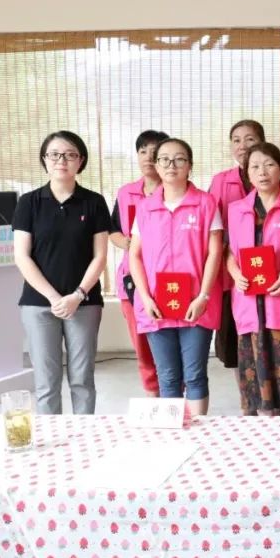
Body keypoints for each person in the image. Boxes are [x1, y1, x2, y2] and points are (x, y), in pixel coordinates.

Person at [13, 131, 110, 414]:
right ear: (44, 160)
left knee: (82, 380)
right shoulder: (29, 202)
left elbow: (100, 256)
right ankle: (50, 437)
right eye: (54, 154)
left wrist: (77, 295)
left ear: (81, 160)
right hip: (38, 304)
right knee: (46, 383)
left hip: (84, 303)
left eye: (70, 155)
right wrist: (55, 298)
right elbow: (22, 256)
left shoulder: (93, 202)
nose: (61, 160)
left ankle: (84, 435)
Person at [129, 138, 224, 416]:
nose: (172, 165)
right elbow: (135, 255)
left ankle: (198, 432)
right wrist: (145, 298)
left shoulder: (206, 203)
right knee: (167, 376)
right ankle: (174, 432)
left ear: (189, 165)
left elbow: (215, 253)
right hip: (156, 304)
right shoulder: (145, 207)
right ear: (157, 166)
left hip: (197, 303)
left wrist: (203, 296)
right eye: (165, 159)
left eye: (179, 159)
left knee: (194, 374)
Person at [225, 143, 280, 416]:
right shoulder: (237, 209)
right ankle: (263, 431)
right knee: (256, 382)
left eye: (269, 165)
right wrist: (235, 273)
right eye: (254, 166)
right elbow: (229, 252)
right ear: (247, 174)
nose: (262, 172)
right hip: (249, 303)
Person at [108, 129, 168, 397]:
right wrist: (128, 244)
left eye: (155, 152)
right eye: (143, 151)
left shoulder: (175, 191)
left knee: (170, 342)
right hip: (131, 279)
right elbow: (113, 230)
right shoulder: (126, 193)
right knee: (142, 345)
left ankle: (174, 395)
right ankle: (152, 395)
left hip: (168, 279)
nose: (148, 157)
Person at [208, 119, 265, 388]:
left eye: (250, 139)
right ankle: (247, 398)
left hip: (271, 274)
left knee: (269, 341)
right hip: (231, 277)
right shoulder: (220, 181)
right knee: (235, 345)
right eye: (236, 140)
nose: (243, 145)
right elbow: (211, 228)